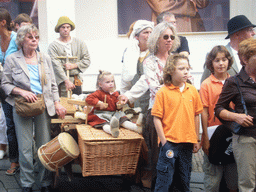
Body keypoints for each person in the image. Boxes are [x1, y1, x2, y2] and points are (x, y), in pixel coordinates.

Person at [1, 24, 66, 192]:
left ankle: (44, 182)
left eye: (36, 37)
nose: (34, 40)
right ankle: (27, 183)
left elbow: (52, 85)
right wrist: (21, 91)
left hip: (43, 105)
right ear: (22, 40)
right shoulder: (12, 59)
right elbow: (5, 84)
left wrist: (57, 102)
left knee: (43, 145)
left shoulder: (45, 58)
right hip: (22, 106)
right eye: (30, 37)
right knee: (25, 147)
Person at [151, 54, 203, 191]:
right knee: (164, 181)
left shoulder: (192, 90)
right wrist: (164, 142)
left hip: (187, 143)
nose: (186, 71)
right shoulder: (162, 92)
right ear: (171, 70)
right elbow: (156, 118)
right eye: (181, 68)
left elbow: (196, 115)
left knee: (184, 180)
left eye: (187, 68)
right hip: (169, 143)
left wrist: (196, 139)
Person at [215, 37, 256, 192]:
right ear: (245, 59)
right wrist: (236, 117)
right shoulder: (234, 82)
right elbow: (219, 109)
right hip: (247, 139)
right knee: (247, 184)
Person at [199, 45, 238, 192]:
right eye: (217, 60)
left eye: (224, 60)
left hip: (233, 134)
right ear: (211, 63)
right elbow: (203, 111)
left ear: (229, 61)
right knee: (213, 178)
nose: (221, 63)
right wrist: (205, 138)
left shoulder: (235, 81)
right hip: (213, 134)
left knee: (232, 179)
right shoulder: (206, 84)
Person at [86, 70, 142, 138]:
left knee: (122, 118)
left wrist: (119, 105)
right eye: (107, 82)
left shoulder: (115, 93)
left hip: (113, 114)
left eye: (112, 81)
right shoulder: (98, 93)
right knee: (104, 123)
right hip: (101, 114)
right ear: (100, 84)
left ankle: (136, 127)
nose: (111, 84)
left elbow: (117, 106)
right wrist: (99, 103)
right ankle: (111, 130)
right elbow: (89, 98)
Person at [201, 15, 256, 82]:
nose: (253, 33)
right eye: (249, 30)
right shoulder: (217, 55)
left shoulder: (253, 55)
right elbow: (204, 82)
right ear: (237, 34)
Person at [48, 16, 90, 97]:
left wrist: (74, 65)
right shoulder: (53, 46)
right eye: (63, 27)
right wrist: (66, 81)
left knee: (77, 103)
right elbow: (56, 65)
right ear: (59, 29)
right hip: (61, 82)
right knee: (64, 105)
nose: (65, 29)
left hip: (76, 80)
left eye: (68, 27)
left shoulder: (79, 43)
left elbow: (87, 60)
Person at [0, 8, 20, 176]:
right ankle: (14, 160)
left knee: (23, 126)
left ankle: (28, 159)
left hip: (21, 90)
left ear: (3, 22)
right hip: (5, 90)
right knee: (10, 126)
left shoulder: (16, 39)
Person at [120, 20, 154, 114]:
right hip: (136, 101)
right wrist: (123, 98)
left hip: (152, 100)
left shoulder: (155, 53)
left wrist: (129, 96)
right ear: (136, 36)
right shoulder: (130, 52)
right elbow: (125, 78)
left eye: (151, 32)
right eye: (146, 32)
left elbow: (146, 78)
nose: (149, 35)